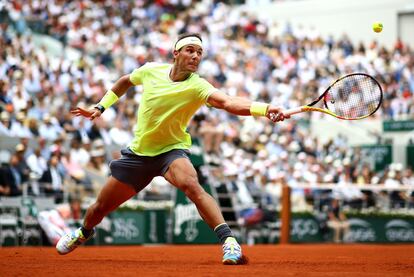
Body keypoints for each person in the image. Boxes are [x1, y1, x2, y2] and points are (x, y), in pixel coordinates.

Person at [56, 33, 288, 265]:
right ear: (175, 53)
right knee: (99, 207)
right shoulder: (151, 70)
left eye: (199, 53)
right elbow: (125, 81)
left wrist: (265, 108)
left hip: (170, 151)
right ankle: (83, 232)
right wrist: (101, 106)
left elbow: (227, 102)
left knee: (192, 185)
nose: (195, 56)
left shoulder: (198, 85)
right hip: (139, 154)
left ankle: (229, 242)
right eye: (190, 50)